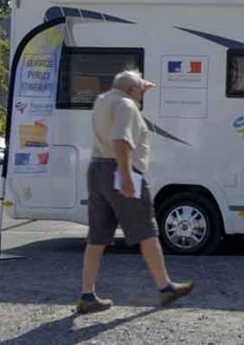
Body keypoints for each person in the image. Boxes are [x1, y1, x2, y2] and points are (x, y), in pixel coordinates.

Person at [76, 70, 194, 314]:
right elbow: (121, 140)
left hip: (96, 169)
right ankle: (165, 288)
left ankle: (87, 295)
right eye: (140, 89)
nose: (142, 94)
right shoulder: (127, 105)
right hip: (119, 171)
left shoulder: (103, 100)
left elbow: (126, 87)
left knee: (97, 236)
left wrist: (138, 85)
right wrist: (127, 176)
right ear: (133, 91)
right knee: (146, 230)